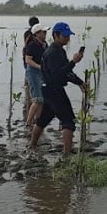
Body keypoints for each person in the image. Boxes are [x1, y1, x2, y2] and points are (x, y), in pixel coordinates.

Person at [29, 22, 86, 156]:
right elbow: (58, 74)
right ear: (56, 35)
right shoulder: (53, 52)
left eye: (68, 36)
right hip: (54, 90)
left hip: (48, 89)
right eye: (65, 36)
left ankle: (32, 145)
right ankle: (66, 154)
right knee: (68, 121)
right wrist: (73, 62)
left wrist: (80, 82)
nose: (67, 38)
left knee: (43, 119)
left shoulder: (59, 50)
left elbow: (66, 72)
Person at [24, 23, 49, 126]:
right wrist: (39, 67)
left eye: (46, 32)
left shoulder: (45, 44)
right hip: (33, 72)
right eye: (44, 32)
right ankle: (28, 122)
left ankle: (38, 121)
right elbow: (28, 60)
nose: (45, 34)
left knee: (42, 99)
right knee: (37, 99)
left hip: (42, 72)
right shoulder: (32, 45)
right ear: (37, 34)